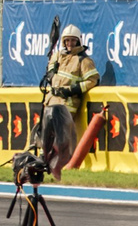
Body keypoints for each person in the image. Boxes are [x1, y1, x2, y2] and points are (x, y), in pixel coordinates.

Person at [41, 28, 99, 169]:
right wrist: (50, 74)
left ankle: (60, 163)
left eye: (73, 40)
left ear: (78, 40)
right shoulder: (57, 56)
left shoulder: (83, 60)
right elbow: (49, 73)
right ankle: (45, 161)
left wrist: (72, 90)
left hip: (68, 103)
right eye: (67, 40)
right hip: (51, 100)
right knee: (47, 133)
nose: (70, 43)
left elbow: (92, 80)